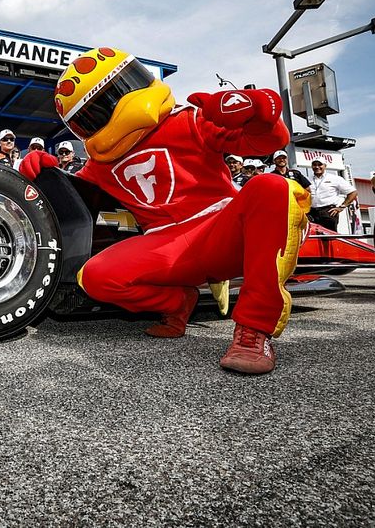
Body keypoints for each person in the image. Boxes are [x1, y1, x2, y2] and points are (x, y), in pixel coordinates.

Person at [20, 46, 309, 375]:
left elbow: (265, 144)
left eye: (104, 105)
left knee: (273, 186)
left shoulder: (191, 119)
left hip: (222, 228)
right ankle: (177, 303)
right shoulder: (100, 165)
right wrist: (46, 171)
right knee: (95, 277)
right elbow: (75, 188)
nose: (105, 114)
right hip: (168, 247)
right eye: (90, 117)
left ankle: (254, 329)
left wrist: (258, 114)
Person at [308, 158, 357, 231]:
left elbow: (353, 192)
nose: (317, 167)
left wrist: (341, 207)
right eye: (314, 165)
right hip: (311, 212)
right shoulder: (307, 179)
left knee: (330, 238)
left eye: (320, 164)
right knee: (313, 238)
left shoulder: (335, 178)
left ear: (325, 166)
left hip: (329, 212)